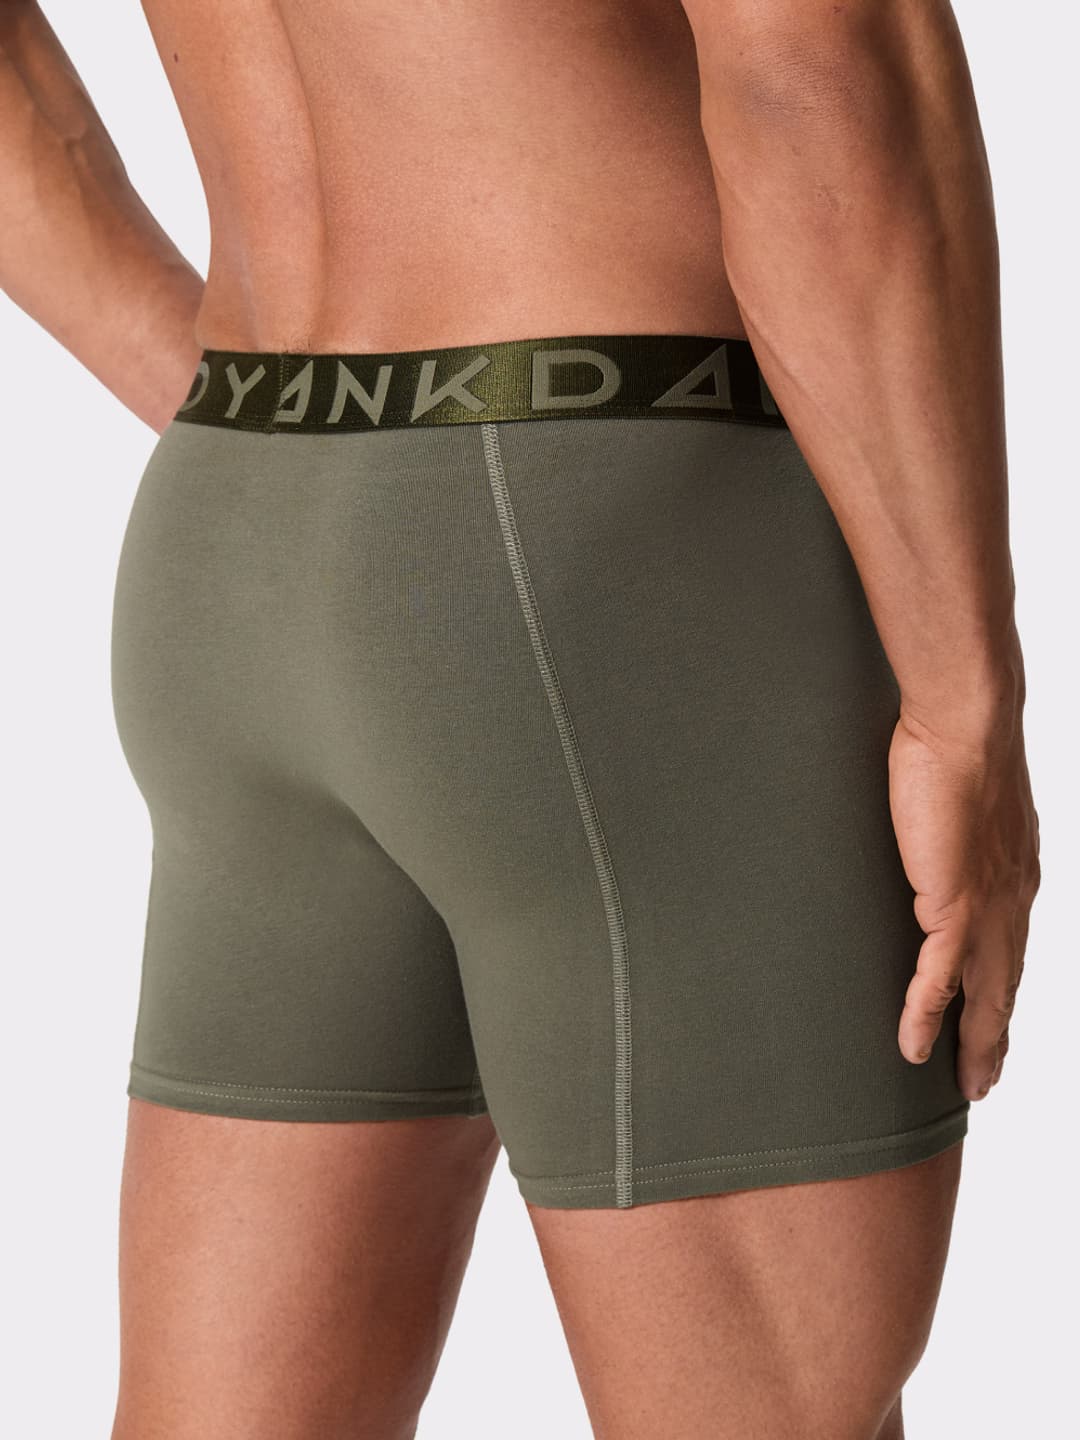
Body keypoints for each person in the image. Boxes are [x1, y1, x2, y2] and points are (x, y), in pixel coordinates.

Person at [0, 1, 1040, 1436]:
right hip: (627, 538)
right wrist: (964, 702)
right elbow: (814, 65)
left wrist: (234, 423)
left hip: (239, 508)